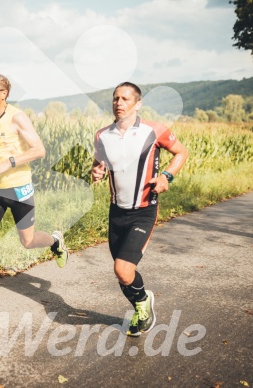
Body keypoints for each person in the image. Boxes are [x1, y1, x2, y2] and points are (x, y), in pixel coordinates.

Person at [0, 73, 69, 318]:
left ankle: (54, 241)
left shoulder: (17, 118)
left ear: (3, 94)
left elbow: (39, 150)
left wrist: (9, 162)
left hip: (19, 189)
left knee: (27, 241)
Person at [91, 82, 188, 337]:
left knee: (122, 269)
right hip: (117, 211)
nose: (119, 103)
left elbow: (181, 152)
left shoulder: (154, 130)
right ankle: (141, 305)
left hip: (144, 210)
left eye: (125, 99)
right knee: (124, 273)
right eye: (115, 98)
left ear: (138, 103)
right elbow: (98, 162)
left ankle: (144, 305)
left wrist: (167, 175)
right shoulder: (102, 135)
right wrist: (97, 170)